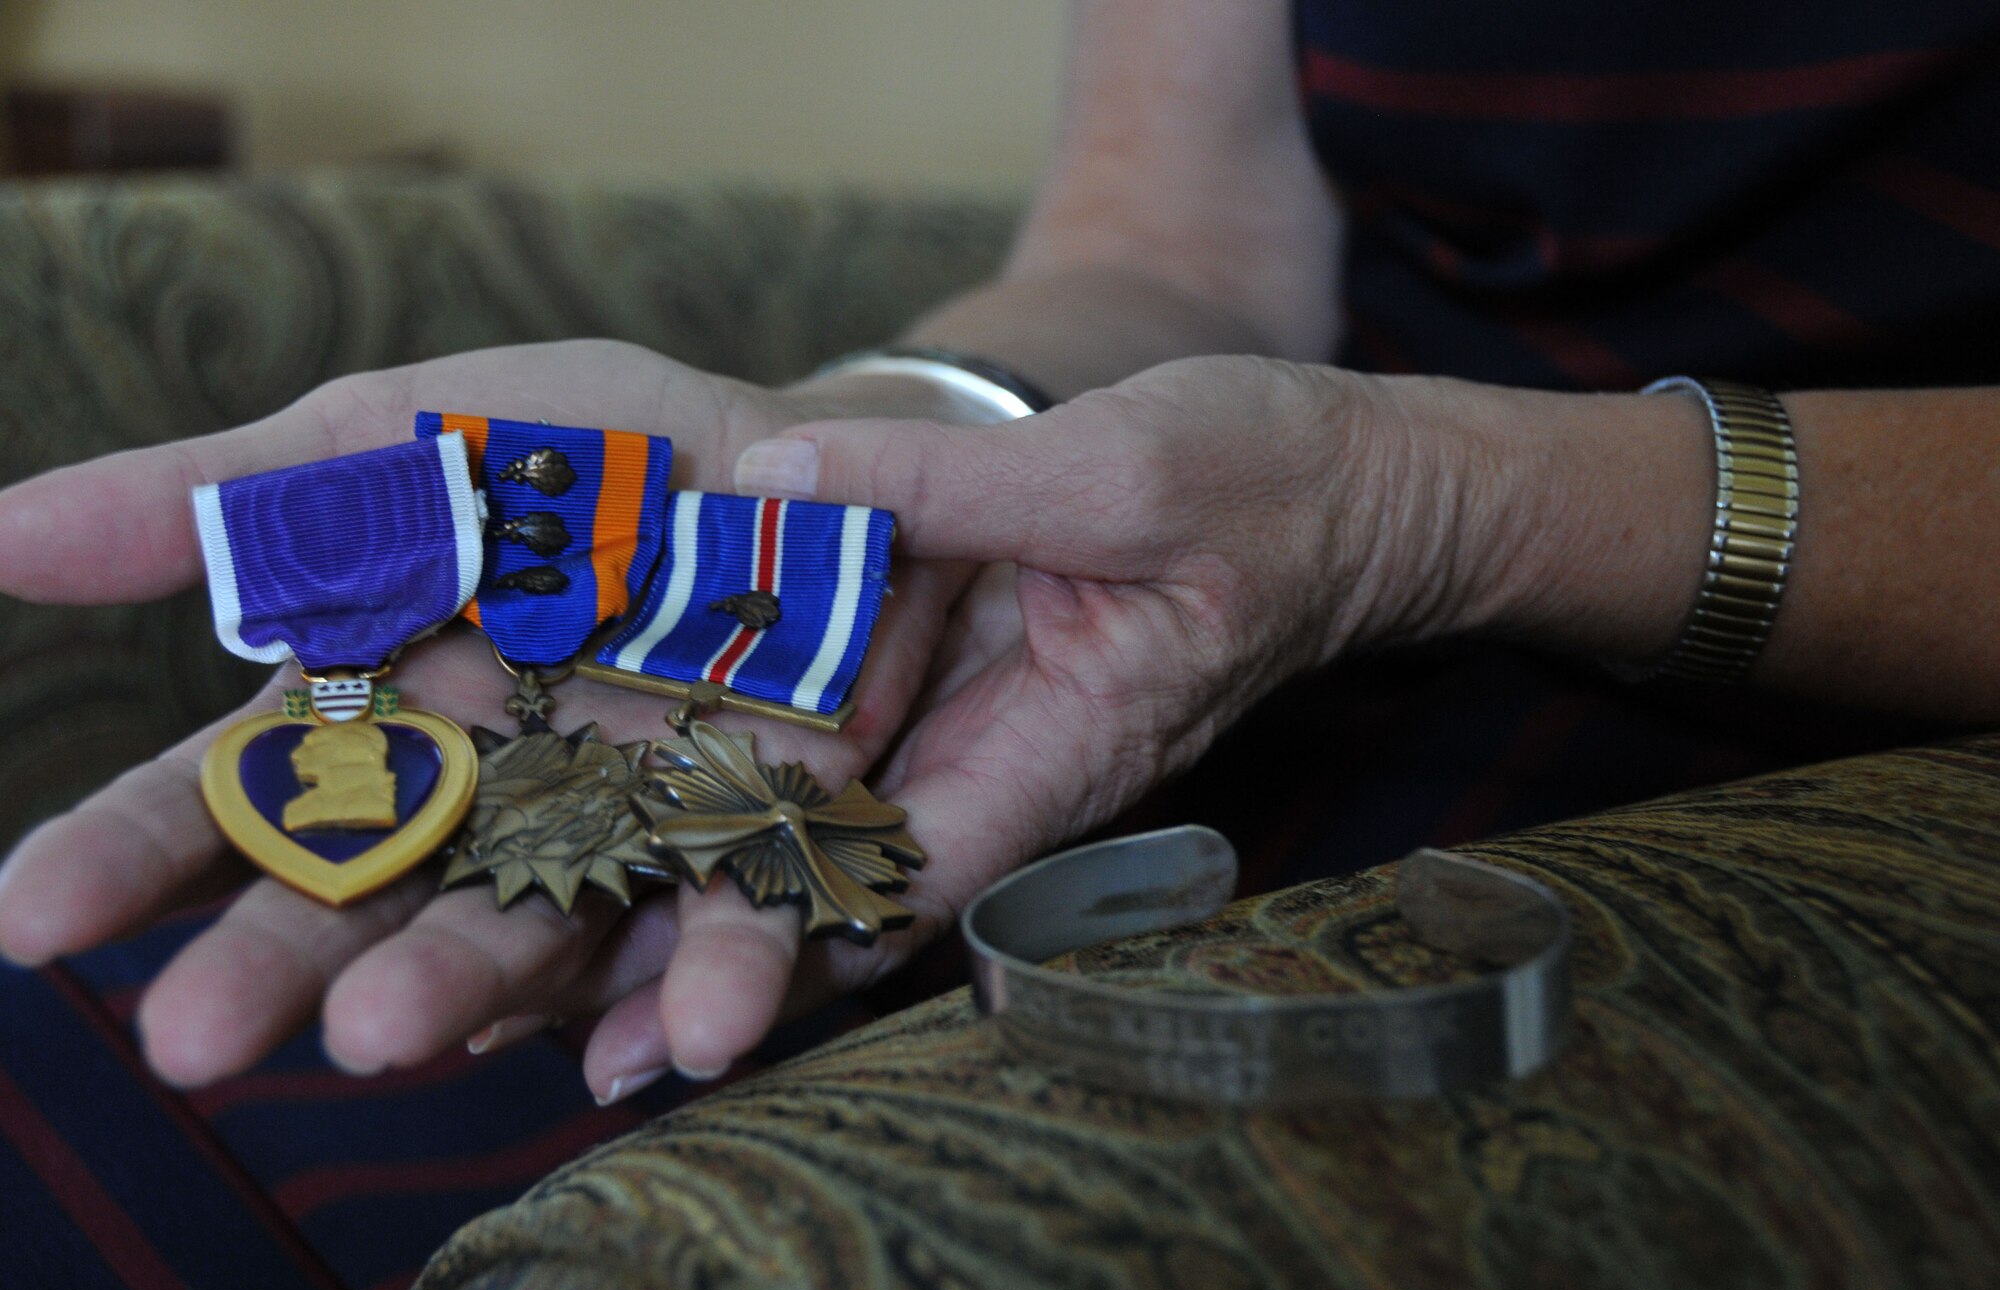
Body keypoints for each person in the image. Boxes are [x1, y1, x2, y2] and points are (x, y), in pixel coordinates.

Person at [1, 0, 1997, 1108]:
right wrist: (905, 434)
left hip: (1792, 783)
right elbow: (1176, 245)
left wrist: (1441, 504)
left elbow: (1371, 492)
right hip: (1186, 607)